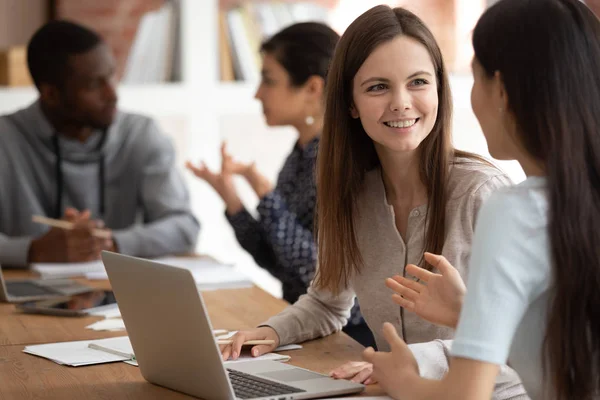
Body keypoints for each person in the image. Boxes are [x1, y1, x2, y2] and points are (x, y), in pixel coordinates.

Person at [218, 6, 527, 399]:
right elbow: (328, 304)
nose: (401, 102)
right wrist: (272, 331)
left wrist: (409, 362)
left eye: (417, 82)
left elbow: (519, 341)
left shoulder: (482, 194)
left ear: (438, 89)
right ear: (350, 103)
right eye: (378, 87)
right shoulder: (348, 193)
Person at [368, 0, 600, 399]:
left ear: (503, 92)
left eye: (474, 79)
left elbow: (465, 395)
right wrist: (469, 312)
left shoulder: (514, 209)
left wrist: (401, 379)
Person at [186, 22, 375, 347]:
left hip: (348, 338)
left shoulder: (342, 163)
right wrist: (233, 200)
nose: (258, 93)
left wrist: (265, 194)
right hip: (303, 327)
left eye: (269, 80)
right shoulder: (302, 154)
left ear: (313, 89)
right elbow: (277, 261)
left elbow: (316, 271)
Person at [0, 21, 200, 266]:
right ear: (51, 94)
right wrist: (34, 250)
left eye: (112, 76)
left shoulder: (140, 134)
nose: (113, 94)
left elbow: (184, 227)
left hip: (120, 299)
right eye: (95, 84)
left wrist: (109, 243)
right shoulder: (6, 140)